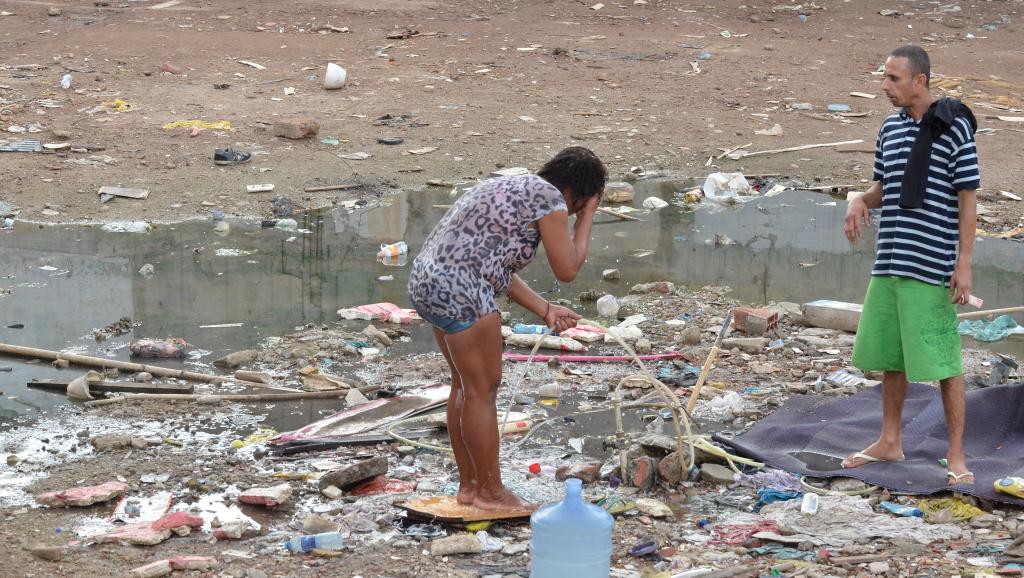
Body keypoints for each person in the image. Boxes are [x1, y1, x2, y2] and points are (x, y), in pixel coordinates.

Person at [408, 146, 607, 511]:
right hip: (463, 289)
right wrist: (587, 217)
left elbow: (493, 264)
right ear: (580, 192)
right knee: (482, 391)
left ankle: (470, 487)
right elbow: (568, 269)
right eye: (585, 201)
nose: (578, 210)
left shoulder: (516, 187)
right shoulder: (551, 201)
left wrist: (545, 309)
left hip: (429, 280)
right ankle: (491, 492)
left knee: (465, 387)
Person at [842, 45, 980, 485]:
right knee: (890, 355)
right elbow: (886, 186)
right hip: (889, 260)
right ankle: (889, 441)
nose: (885, 87)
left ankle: (956, 455)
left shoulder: (955, 127)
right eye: (884, 78)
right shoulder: (890, 128)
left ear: (920, 80)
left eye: (894, 79)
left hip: (930, 264)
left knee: (943, 361)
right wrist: (858, 199)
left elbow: (968, 199)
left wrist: (964, 264)